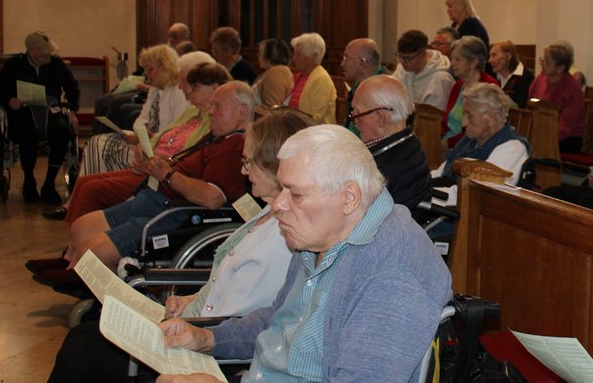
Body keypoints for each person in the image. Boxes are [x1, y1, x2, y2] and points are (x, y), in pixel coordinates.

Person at [155, 125, 452, 383]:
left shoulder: (393, 273)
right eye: (282, 189)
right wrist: (208, 338)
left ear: (349, 197)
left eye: (295, 194)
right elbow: (280, 319)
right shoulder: (321, 233)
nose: (278, 204)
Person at [45, 109, 314, 383]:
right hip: (199, 328)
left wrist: (192, 323)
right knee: (82, 335)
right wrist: (190, 300)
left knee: (82, 353)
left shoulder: (286, 236)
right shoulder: (267, 211)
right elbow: (225, 289)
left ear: (275, 166)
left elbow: (248, 317)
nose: (243, 171)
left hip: (213, 354)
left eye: (248, 162)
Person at [28, 81, 252, 289]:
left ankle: (85, 282)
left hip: (175, 214)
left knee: (90, 249)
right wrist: (160, 165)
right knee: (80, 227)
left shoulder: (234, 146)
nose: (210, 111)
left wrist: (167, 174)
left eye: (218, 107)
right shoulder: (220, 137)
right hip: (156, 199)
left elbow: (212, 197)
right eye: (211, 105)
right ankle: (74, 267)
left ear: (241, 111)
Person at [47, 61, 228, 224]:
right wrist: (144, 148)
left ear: (215, 88)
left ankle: (78, 252)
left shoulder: (215, 121)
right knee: (84, 181)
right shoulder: (193, 112)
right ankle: (74, 250)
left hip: (163, 176)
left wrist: (155, 157)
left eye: (194, 86)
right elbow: (161, 134)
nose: (188, 90)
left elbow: (191, 158)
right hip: (152, 163)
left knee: (91, 188)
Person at [76, 46, 193, 178]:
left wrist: (151, 137)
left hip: (161, 154)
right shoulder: (156, 90)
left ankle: (92, 187)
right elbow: (140, 119)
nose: (145, 74)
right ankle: (91, 187)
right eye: (145, 69)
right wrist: (141, 131)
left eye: (150, 69)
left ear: (165, 68)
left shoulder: (178, 93)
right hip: (146, 145)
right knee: (96, 141)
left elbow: (177, 132)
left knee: (99, 147)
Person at [0, 31, 80, 204]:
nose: (49, 54)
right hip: (22, 111)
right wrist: (9, 101)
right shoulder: (14, 65)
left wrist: (71, 111)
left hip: (50, 110)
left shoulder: (56, 64)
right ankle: (29, 180)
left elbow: (72, 88)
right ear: (32, 51)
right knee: (27, 134)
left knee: (62, 131)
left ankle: (49, 183)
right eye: (44, 51)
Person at [432, 82, 530, 206]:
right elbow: (442, 171)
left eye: (469, 115)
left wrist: (425, 194)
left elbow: (474, 194)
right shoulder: (472, 138)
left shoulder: (512, 148)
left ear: (490, 117)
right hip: (445, 205)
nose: (463, 123)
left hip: (466, 218)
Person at [350, 75, 432, 213]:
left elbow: (354, 221)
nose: (354, 120)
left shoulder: (381, 170)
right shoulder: (409, 144)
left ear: (381, 118)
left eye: (357, 113)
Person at [528, 41, 586, 153]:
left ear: (560, 67)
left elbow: (566, 126)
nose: (542, 64)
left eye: (546, 62)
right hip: (540, 133)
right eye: (542, 60)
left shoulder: (572, 88)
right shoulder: (539, 80)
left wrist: (541, 138)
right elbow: (529, 107)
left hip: (567, 139)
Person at [442, 36, 499, 148]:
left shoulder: (489, 87)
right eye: (452, 58)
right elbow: (446, 121)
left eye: (457, 59)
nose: (452, 64)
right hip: (448, 144)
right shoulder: (458, 85)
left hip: (470, 147)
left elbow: (482, 129)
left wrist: (446, 143)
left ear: (473, 62)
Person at [391, 29, 454, 111]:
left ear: (423, 54)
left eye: (408, 58)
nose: (402, 62)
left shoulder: (441, 79)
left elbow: (431, 118)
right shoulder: (402, 68)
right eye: (399, 56)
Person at [286, 32, 337, 124]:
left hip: (318, 134)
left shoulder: (321, 79)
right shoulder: (300, 76)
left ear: (313, 57)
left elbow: (315, 118)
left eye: (298, 55)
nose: (294, 59)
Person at [340, 37, 388, 134]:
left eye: (346, 58)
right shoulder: (357, 85)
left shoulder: (385, 91)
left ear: (362, 62)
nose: (342, 64)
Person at [251, 37, 293, 111]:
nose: (257, 56)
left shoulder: (276, 73)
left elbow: (273, 108)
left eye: (260, 53)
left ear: (270, 55)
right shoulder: (273, 71)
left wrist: (251, 109)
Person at [489, 40, 534, 108]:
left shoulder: (525, 77)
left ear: (508, 56)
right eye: (490, 56)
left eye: (494, 55)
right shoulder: (492, 76)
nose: (490, 60)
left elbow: (522, 108)